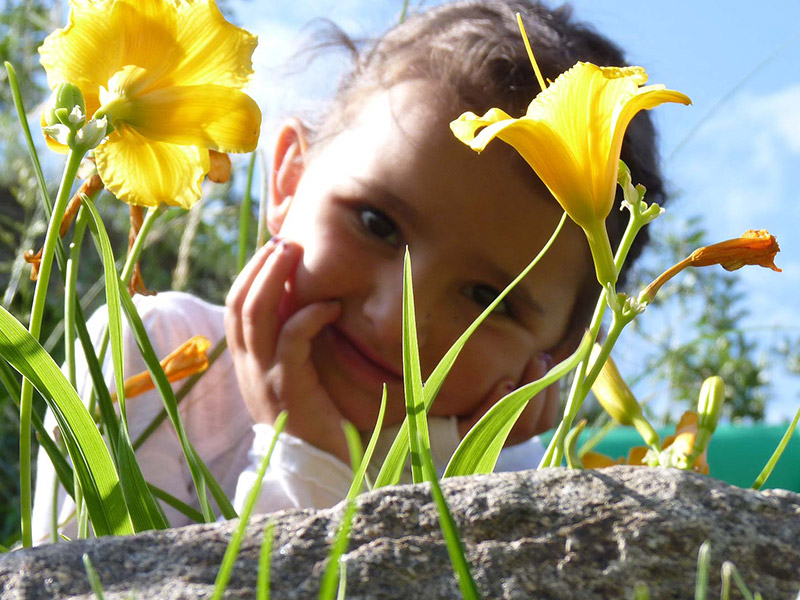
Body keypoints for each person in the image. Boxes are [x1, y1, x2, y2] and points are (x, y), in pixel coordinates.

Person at [32, 0, 666, 542]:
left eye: (487, 297)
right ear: (288, 178)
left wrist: (446, 474)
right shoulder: (157, 358)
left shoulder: (534, 492)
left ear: (559, 352)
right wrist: (303, 460)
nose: (397, 317)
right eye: (376, 224)